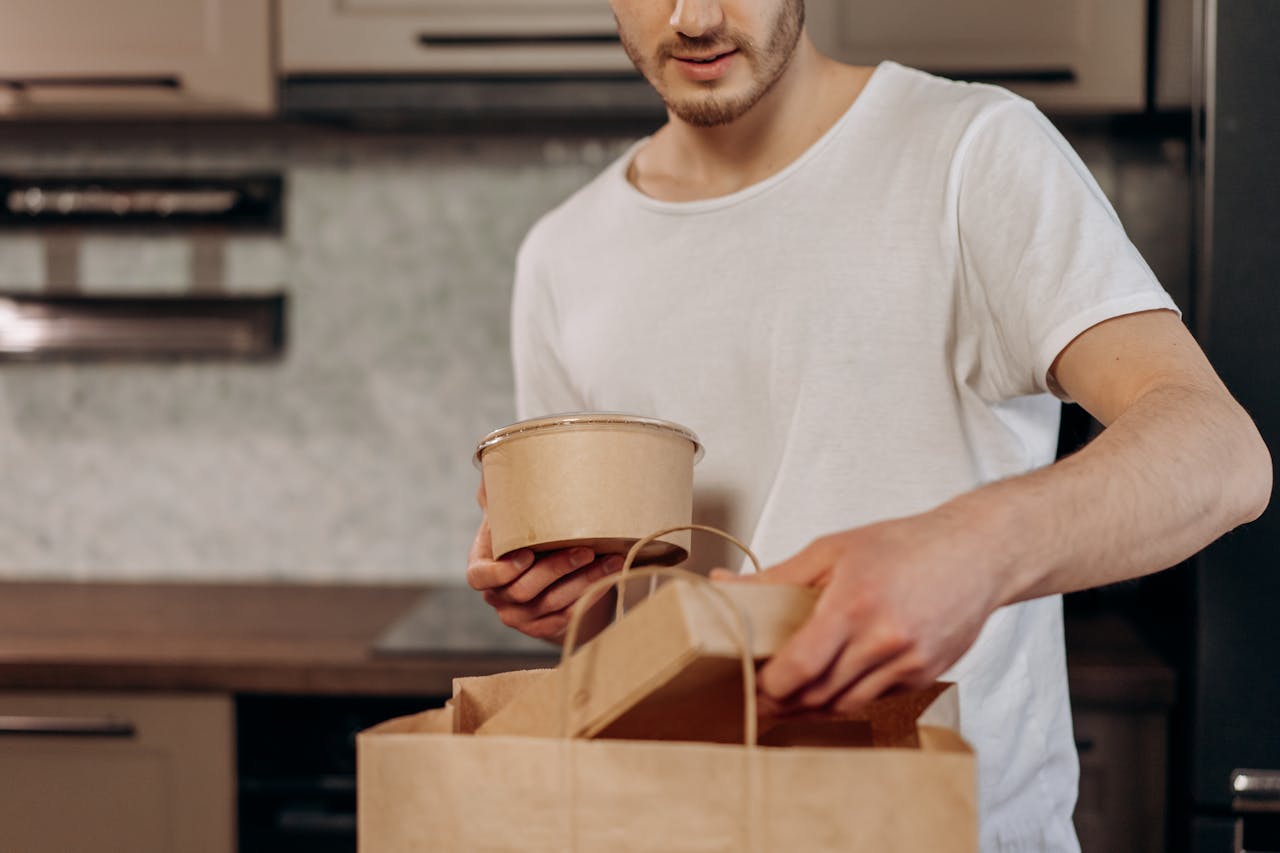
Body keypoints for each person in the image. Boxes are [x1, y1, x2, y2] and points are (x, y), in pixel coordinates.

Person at [465, 0, 1272, 849]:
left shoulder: (974, 151)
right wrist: (570, 589)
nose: (693, 16)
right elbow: (622, 619)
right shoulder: (563, 253)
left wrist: (970, 549)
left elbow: (1221, 453)